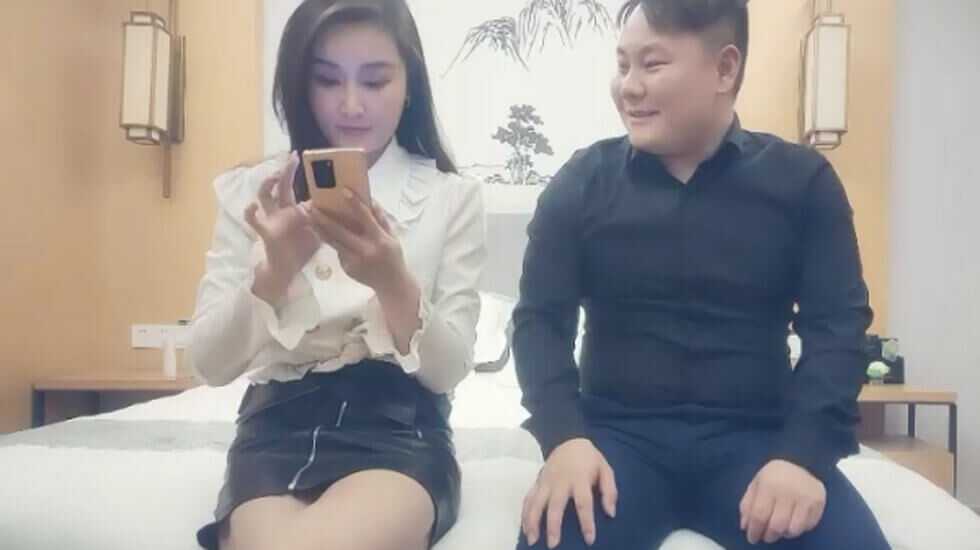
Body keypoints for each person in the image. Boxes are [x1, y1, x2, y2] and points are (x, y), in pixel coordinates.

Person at [512, 1, 889, 549]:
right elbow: (538, 322)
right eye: (623, 65)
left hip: (759, 442)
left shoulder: (803, 183)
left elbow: (838, 328)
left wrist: (803, 456)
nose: (629, 87)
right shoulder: (581, 183)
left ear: (725, 68)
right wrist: (563, 438)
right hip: (614, 442)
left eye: (652, 64)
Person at [189, 1, 486, 549]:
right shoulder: (250, 193)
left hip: (398, 425)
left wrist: (392, 281)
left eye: (375, 81)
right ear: (301, 85)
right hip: (272, 428)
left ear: (410, 85)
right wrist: (274, 272)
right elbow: (208, 362)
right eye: (327, 80)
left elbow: (448, 371)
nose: (351, 104)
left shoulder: (452, 199)